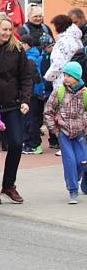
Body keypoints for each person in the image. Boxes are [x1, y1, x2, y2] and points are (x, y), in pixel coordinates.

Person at [0, 12, 33, 205]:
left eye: (10, 29)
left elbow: (26, 77)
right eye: (4, 29)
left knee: (17, 143)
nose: (8, 33)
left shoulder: (18, 49)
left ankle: (9, 185)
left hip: (12, 105)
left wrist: (25, 100)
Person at [43, 62, 87, 203]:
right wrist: (55, 130)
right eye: (65, 75)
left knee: (83, 161)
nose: (65, 78)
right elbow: (48, 111)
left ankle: (81, 180)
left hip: (80, 132)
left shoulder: (85, 93)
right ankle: (72, 190)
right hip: (64, 133)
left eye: (69, 75)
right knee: (69, 161)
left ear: (77, 77)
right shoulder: (59, 92)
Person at [21, 35, 45, 154]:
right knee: (32, 118)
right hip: (37, 92)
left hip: (32, 93)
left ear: (26, 45)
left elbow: (30, 78)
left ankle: (34, 145)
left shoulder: (29, 59)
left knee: (31, 119)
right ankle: (32, 143)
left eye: (22, 44)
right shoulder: (35, 55)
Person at [45, 14, 84, 89]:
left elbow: (59, 63)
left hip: (63, 81)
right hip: (75, 79)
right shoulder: (77, 39)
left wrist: (48, 77)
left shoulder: (63, 42)